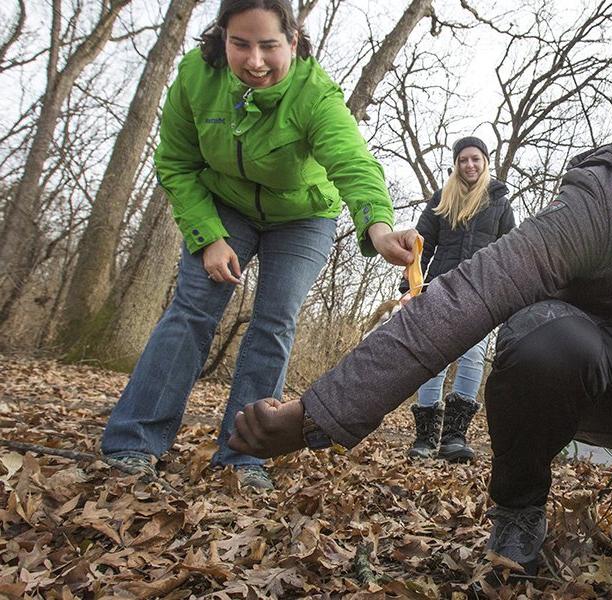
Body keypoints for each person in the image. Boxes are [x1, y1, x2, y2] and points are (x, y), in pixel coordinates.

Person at [228, 6, 612, 589]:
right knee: (550, 342)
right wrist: (319, 414)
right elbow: (470, 293)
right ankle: (519, 507)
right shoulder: (600, 195)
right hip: (578, 380)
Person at [100, 0, 418, 491]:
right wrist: (208, 238)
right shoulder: (195, 78)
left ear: (292, 42)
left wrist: (378, 227)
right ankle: (134, 443)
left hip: (303, 215)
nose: (255, 61)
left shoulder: (315, 94)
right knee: (192, 309)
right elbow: (177, 164)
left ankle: (244, 455)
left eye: (269, 46)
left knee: (275, 319)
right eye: (240, 44)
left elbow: (354, 164)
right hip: (223, 204)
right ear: (221, 37)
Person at [400, 137, 516, 462]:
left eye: (475, 159)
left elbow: (511, 251)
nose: (470, 165)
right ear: (456, 164)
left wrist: (509, 293)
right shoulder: (441, 200)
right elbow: (420, 246)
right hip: (438, 289)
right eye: (463, 160)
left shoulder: (500, 203)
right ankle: (424, 439)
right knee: (433, 361)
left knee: (472, 358)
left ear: (485, 161)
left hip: (482, 294)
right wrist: (410, 289)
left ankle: (454, 438)